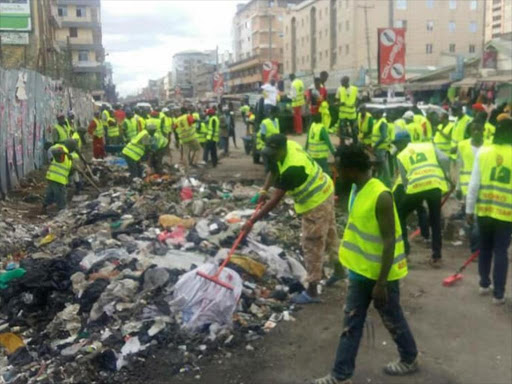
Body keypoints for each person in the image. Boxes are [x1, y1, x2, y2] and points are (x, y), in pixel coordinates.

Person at [313, 145, 417, 384]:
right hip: (360, 271)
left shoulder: (380, 195)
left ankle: (410, 357)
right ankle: (340, 375)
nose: (336, 172)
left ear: (351, 170)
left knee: (392, 317)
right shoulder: (355, 189)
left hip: (382, 275)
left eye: (339, 168)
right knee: (351, 322)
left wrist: (381, 283)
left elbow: (389, 240)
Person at [242, 134, 342, 304]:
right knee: (330, 234)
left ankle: (312, 292)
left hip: (316, 201)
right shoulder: (288, 146)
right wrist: (263, 191)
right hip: (325, 189)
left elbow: (275, 201)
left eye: (273, 152)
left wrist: (252, 221)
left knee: (312, 243)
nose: (271, 155)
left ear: (282, 149)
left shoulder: (292, 168)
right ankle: (340, 270)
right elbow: (274, 169)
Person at [466, 118, 512, 305]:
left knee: (484, 248)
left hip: (484, 211)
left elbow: (474, 184)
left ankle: (484, 284)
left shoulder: (483, 153)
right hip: (506, 213)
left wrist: (469, 210)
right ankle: (498, 294)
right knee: (501, 250)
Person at [396, 137, 451, 267]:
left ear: (402, 144)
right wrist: (444, 174)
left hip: (416, 187)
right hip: (434, 184)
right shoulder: (429, 146)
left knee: (400, 215)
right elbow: (444, 158)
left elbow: (405, 180)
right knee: (435, 219)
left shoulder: (401, 155)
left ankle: (405, 252)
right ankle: (436, 256)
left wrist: (409, 192)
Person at [456, 121, 485, 252]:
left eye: (479, 129)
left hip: (484, 187)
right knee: (470, 214)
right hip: (467, 186)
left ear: (483, 131)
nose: (477, 132)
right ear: (470, 131)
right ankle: (474, 244)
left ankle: (477, 243)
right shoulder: (462, 145)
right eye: (474, 129)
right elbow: (459, 166)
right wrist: (457, 187)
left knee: (479, 216)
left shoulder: (489, 146)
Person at [42, 139, 77, 213]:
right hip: (57, 178)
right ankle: (62, 209)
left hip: (54, 177)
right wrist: (64, 153)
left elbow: (67, 170)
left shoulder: (69, 156)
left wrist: (72, 170)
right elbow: (53, 151)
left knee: (50, 193)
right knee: (61, 194)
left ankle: (44, 206)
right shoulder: (61, 148)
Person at [371, 109, 392, 187]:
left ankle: (388, 184)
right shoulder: (377, 122)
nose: (374, 115)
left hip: (381, 148)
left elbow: (383, 136)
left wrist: (375, 145)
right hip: (377, 149)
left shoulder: (382, 123)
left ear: (380, 114)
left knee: (383, 167)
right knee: (380, 167)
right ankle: (381, 183)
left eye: (376, 113)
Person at [336, 76, 358, 142]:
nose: (341, 84)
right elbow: (336, 101)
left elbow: (357, 99)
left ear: (347, 82)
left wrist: (355, 104)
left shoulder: (354, 89)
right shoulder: (339, 89)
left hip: (352, 114)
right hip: (343, 115)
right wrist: (339, 103)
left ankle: (355, 144)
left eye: (342, 82)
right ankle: (342, 145)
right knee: (342, 132)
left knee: (354, 131)